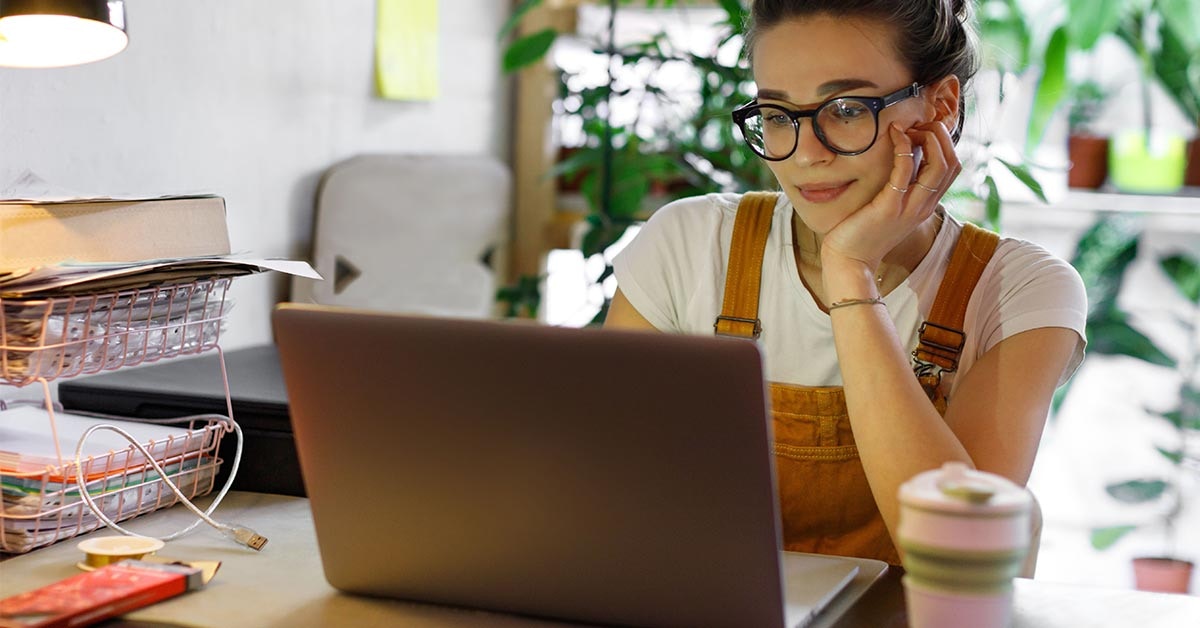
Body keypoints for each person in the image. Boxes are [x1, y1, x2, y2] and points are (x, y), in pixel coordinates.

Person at [605, 0, 1087, 565]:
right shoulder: (689, 245)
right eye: (778, 114)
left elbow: (962, 549)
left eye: (847, 109)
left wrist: (850, 272)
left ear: (941, 106)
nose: (806, 154)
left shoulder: (1019, 290)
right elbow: (607, 493)